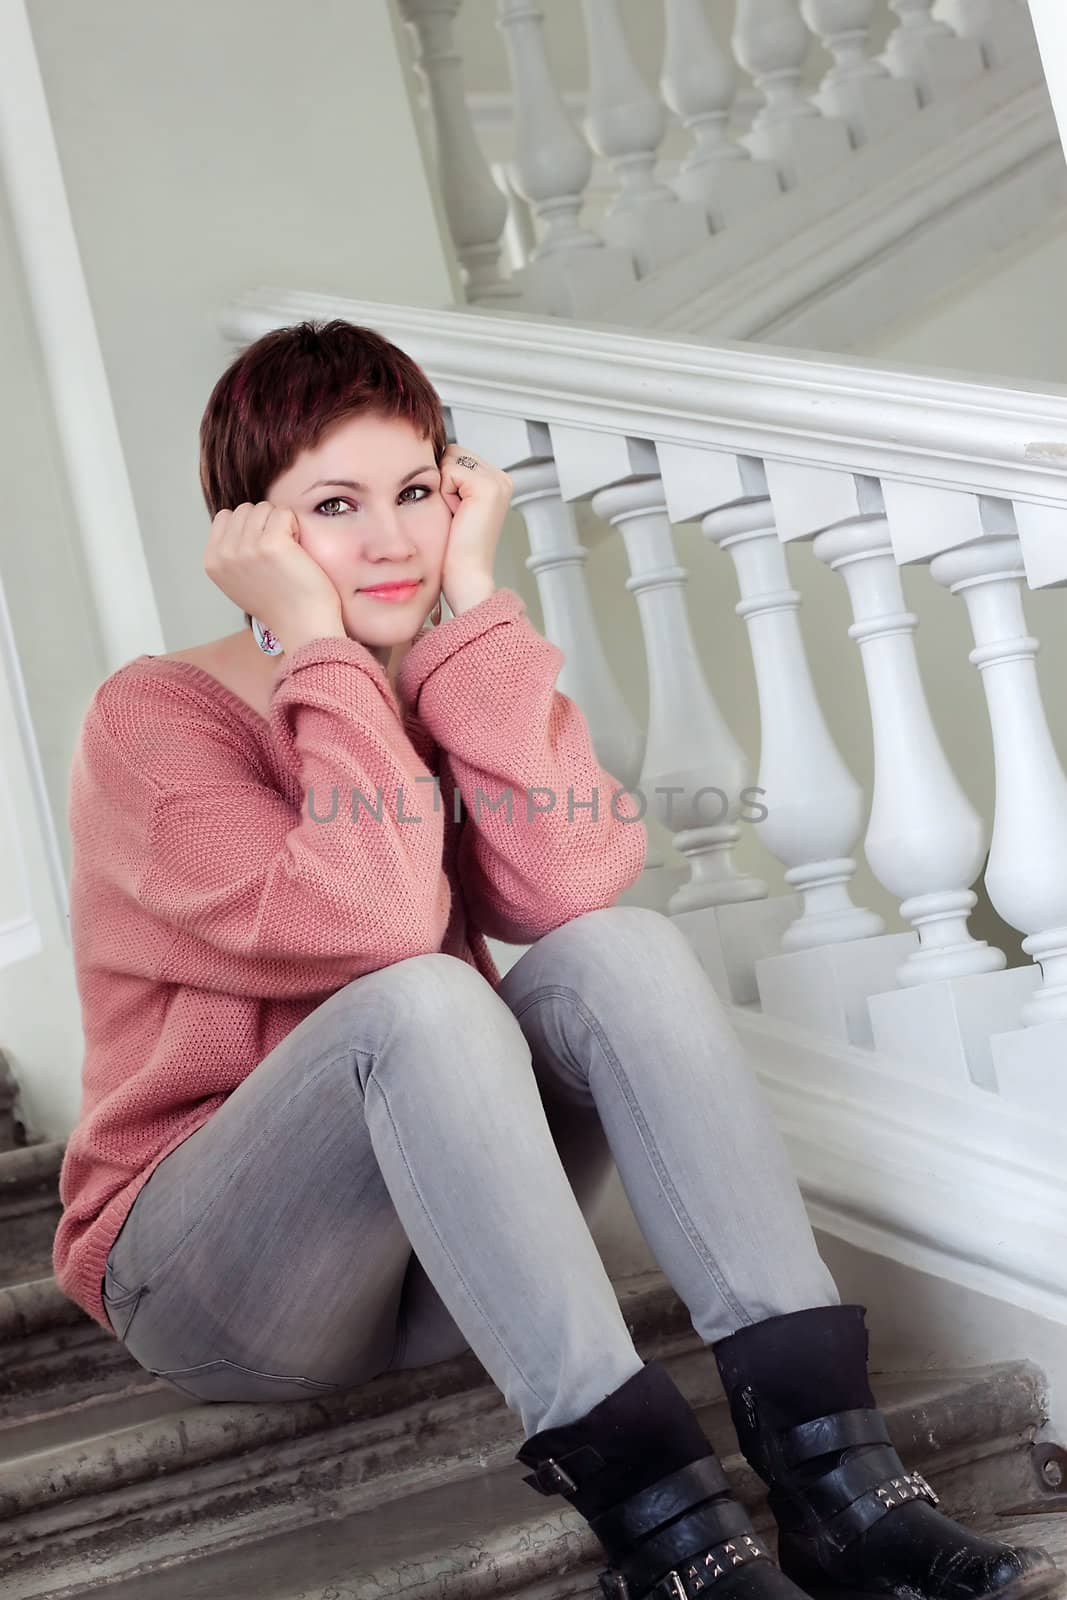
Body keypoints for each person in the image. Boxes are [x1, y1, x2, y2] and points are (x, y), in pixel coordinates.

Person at [52, 319, 1056, 1600]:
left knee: (618, 951)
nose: (392, 540)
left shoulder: (443, 671)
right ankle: (667, 1538)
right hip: (212, 1277)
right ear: (250, 537)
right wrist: (317, 649)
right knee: (415, 995)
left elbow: (571, 883)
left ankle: (837, 1483)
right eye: (335, 506)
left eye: (416, 492)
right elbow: (370, 924)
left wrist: (474, 610)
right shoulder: (150, 721)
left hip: (427, 1260)